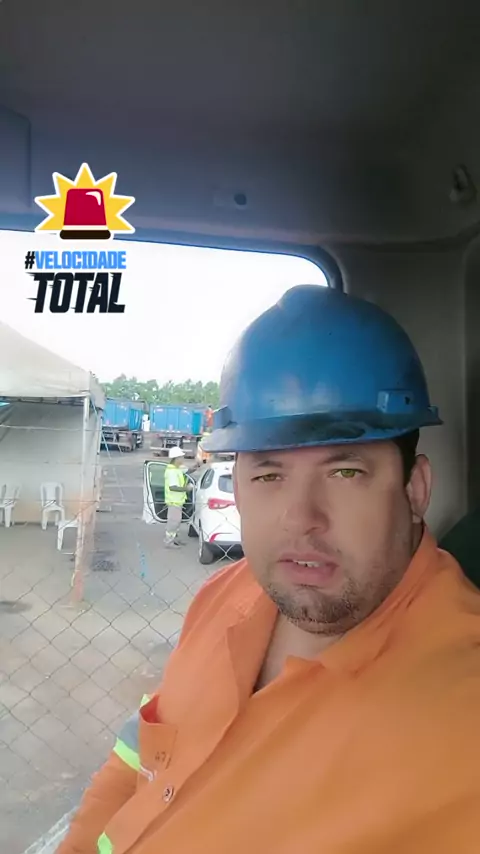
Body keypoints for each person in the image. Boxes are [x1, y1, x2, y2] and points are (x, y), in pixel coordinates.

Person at [57, 285, 480, 854]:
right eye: (268, 475)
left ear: (415, 489)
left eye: (345, 473)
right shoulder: (223, 596)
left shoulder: (460, 720)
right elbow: (135, 761)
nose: (300, 520)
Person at [163, 446, 191, 548]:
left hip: (178, 501)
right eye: (181, 457)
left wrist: (198, 465)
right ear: (177, 458)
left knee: (177, 521)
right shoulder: (172, 472)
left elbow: (188, 471)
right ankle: (169, 541)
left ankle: (175, 539)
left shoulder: (177, 468)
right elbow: (173, 487)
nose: (183, 459)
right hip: (173, 501)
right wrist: (186, 489)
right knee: (173, 522)